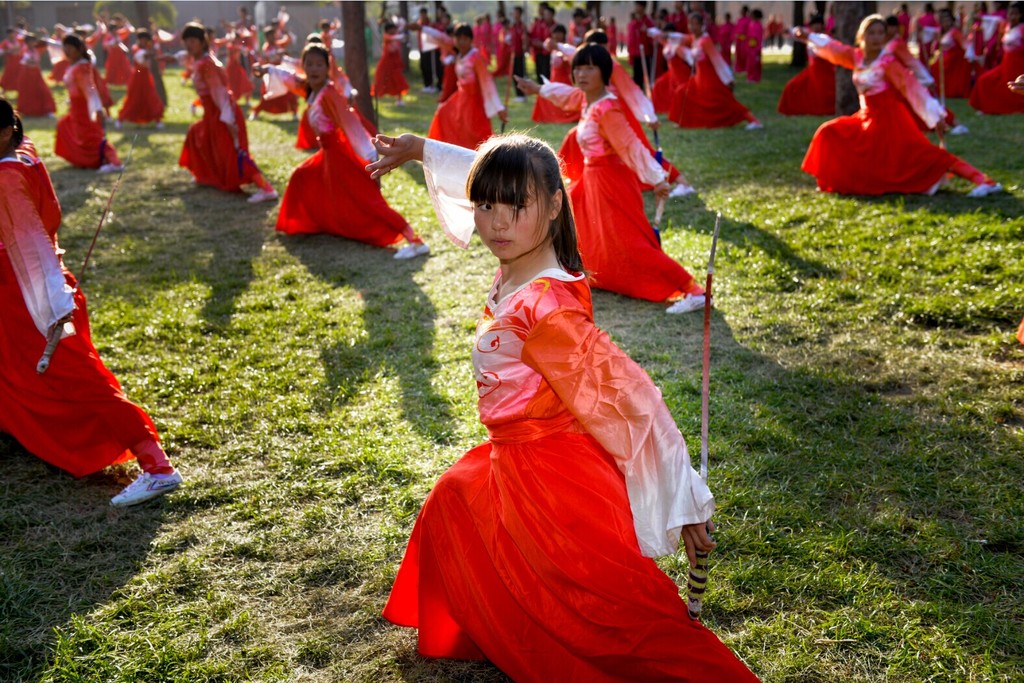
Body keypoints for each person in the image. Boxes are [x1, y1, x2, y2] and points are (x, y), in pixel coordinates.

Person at [365, 131, 760, 681]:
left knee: (611, 621)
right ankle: (500, 626)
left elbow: (626, 398)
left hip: (553, 478)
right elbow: (499, 180)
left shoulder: (544, 308)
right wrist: (423, 151)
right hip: (518, 454)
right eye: (484, 205)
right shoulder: (527, 257)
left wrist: (684, 495)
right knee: (456, 498)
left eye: (515, 207)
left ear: (553, 206)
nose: (496, 223)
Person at [0, 98, 183, 507]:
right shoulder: (22, 154)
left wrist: (54, 304)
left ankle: (157, 467)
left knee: (81, 377)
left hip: (35, 293)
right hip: (22, 287)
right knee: (14, 369)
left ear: (5, 130)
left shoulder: (7, 175)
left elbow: (32, 245)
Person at [518, 44, 706, 312]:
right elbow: (568, 96)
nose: (582, 74)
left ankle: (693, 290)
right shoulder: (588, 100)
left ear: (604, 72)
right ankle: (574, 274)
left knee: (632, 244)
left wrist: (657, 178)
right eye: (579, 68)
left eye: (590, 68)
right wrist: (538, 89)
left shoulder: (607, 108)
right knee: (585, 229)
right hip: (593, 181)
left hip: (611, 182)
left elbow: (631, 146)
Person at [796, 15, 1002, 197]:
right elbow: (834, 49)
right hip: (866, 117)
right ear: (861, 36)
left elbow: (911, 88)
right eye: (872, 33)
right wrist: (809, 37)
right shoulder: (856, 57)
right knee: (830, 132)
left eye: (880, 33)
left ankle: (984, 181)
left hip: (890, 119)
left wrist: (935, 115)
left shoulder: (887, 62)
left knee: (926, 156)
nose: (876, 37)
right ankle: (839, 180)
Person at [269, 44, 428, 259]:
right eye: (309, 64)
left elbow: (351, 124)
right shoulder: (312, 90)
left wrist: (370, 155)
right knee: (302, 176)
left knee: (369, 202)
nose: (314, 69)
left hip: (340, 156)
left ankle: (416, 241)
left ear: (328, 68)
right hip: (327, 155)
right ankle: (314, 222)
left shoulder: (329, 94)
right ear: (303, 66)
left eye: (319, 64)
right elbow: (292, 81)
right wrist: (269, 69)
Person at [178, 22, 278, 203]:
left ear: (202, 42)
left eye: (192, 41)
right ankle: (205, 176)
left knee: (234, 152)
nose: (188, 45)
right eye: (186, 41)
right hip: (212, 115)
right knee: (197, 135)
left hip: (222, 114)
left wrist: (229, 121)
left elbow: (220, 95)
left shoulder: (207, 64)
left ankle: (267, 188)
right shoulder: (202, 60)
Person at [671, 12, 762, 129]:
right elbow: (680, 38)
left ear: (702, 25)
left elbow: (718, 62)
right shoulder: (694, 38)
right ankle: (683, 120)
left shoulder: (705, 41)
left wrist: (728, 79)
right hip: (699, 79)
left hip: (711, 80)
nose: (692, 27)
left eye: (695, 24)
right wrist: (662, 34)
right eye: (690, 24)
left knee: (725, 102)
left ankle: (754, 121)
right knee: (682, 92)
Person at [426, 23, 507, 150]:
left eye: (465, 39)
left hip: (473, 100)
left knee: (475, 132)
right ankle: (444, 150)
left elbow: (487, 83)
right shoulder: (458, 53)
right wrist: (422, 28)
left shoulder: (476, 57)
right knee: (443, 114)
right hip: (460, 97)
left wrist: (499, 108)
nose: (461, 42)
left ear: (470, 40)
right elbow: (442, 38)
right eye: (458, 38)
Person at [55, 34, 123, 173]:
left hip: (85, 108)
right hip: (75, 107)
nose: (66, 51)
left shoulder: (82, 67)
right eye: (65, 47)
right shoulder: (74, 65)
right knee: (66, 128)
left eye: (70, 47)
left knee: (92, 136)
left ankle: (113, 162)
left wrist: (97, 110)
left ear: (79, 49)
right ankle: (87, 160)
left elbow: (90, 91)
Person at [970, 2, 1024, 113]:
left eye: (1015, 14)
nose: (1012, 16)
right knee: (984, 80)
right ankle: (986, 106)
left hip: (1018, 64)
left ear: (1021, 15)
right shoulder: (1006, 26)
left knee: (1012, 88)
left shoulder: (1022, 29)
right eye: (1010, 13)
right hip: (1006, 62)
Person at [777, 15, 836, 116]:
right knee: (792, 86)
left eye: (816, 24)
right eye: (812, 25)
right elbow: (800, 34)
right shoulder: (810, 36)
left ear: (821, 25)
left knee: (823, 93)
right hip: (812, 70)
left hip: (824, 72)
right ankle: (791, 109)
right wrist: (789, 31)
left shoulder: (825, 38)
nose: (814, 27)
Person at [116, 29, 164, 127]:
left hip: (146, 76)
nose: (143, 41)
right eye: (142, 39)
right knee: (133, 99)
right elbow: (140, 58)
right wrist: (149, 52)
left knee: (151, 97)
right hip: (137, 76)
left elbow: (148, 62)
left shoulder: (148, 49)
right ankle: (120, 119)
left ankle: (158, 120)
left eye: (145, 40)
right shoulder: (136, 49)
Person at [930, 8, 973, 98]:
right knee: (932, 66)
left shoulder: (955, 32)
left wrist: (970, 56)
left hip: (952, 60)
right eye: (944, 21)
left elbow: (966, 45)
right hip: (944, 57)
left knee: (934, 67)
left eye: (948, 21)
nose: (946, 23)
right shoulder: (942, 32)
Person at [13, 33, 56, 117]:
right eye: (31, 41)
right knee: (29, 93)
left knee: (43, 91)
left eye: (34, 41)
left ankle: (47, 110)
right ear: (27, 43)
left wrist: (45, 34)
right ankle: (28, 111)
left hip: (36, 73)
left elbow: (46, 44)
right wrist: (32, 62)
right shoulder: (24, 51)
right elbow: (26, 62)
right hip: (27, 75)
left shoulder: (36, 50)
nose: (33, 43)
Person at [373, 21, 409, 107]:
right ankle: (376, 97)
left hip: (394, 64)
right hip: (386, 63)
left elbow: (398, 36)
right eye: (393, 29)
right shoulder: (387, 36)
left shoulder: (394, 36)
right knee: (381, 79)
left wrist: (402, 28)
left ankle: (399, 100)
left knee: (398, 81)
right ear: (388, 30)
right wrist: (402, 33)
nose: (394, 30)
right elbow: (398, 37)